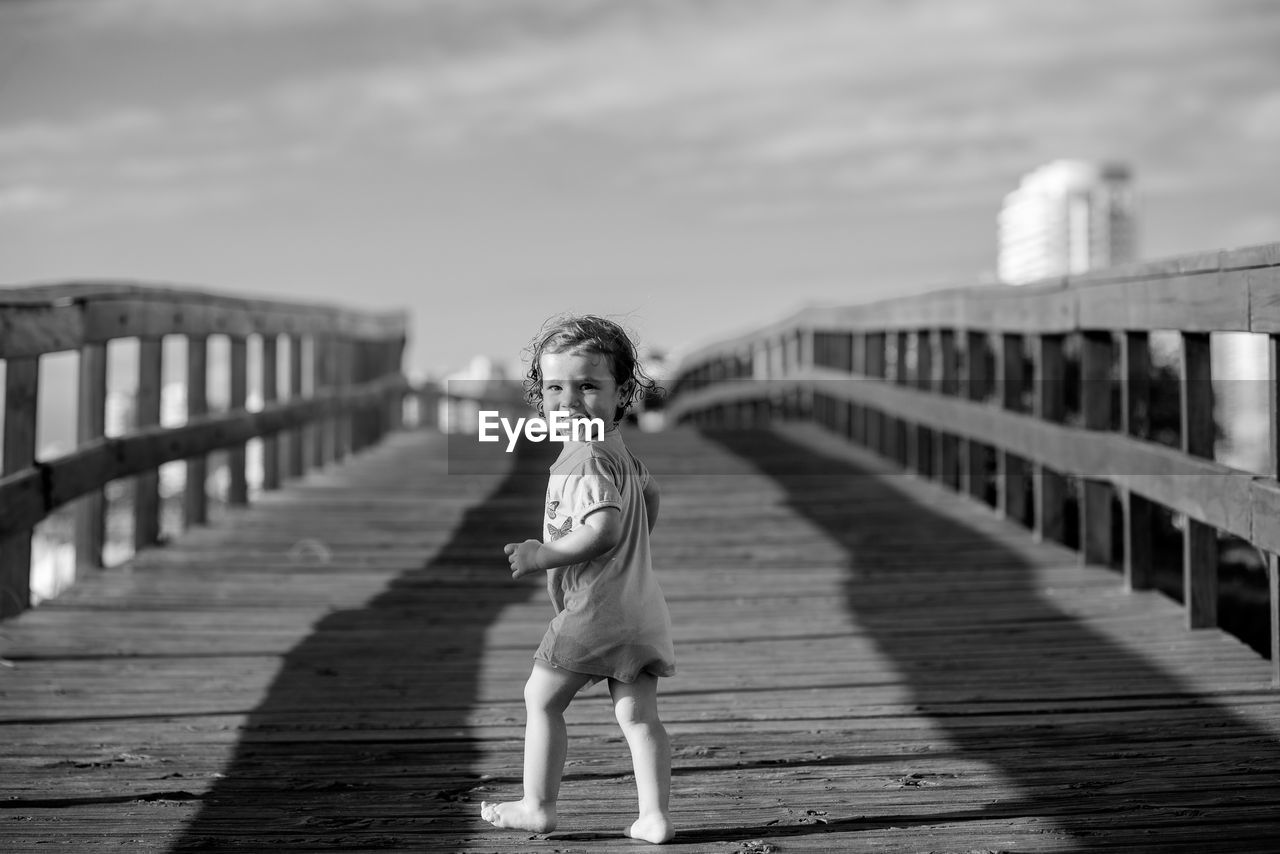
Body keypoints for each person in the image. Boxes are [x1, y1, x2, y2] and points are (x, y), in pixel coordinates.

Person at [480, 315, 676, 845]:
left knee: (541, 700)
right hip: (642, 607)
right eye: (554, 388)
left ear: (623, 393)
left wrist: (542, 555)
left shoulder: (583, 458)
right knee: (638, 718)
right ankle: (653, 816)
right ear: (539, 395)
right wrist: (641, 545)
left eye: (588, 386)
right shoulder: (619, 452)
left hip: (594, 611)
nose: (568, 401)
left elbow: (603, 530)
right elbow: (650, 498)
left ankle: (537, 806)